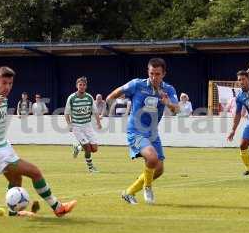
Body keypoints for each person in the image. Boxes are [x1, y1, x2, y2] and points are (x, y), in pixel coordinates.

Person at [0, 66, 76, 217]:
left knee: (16, 181)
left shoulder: (2, 97)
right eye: (4, 83)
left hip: (2, 146)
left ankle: (13, 213)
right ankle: (58, 207)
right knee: (35, 172)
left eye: (10, 83)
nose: (8, 87)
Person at [106, 58, 179, 205]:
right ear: (148, 72)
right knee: (152, 158)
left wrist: (168, 104)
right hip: (136, 131)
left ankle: (129, 192)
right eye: (151, 73)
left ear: (164, 73)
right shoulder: (136, 84)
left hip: (152, 133)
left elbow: (176, 110)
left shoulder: (168, 90)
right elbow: (113, 94)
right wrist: (110, 100)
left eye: (157, 74)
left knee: (158, 169)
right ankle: (147, 187)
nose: (154, 77)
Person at [64, 77, 102, 173]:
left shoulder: (89, 97)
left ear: (86, 86)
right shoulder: (71, 98)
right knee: (88, 149)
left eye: (83, 85)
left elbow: (95, 111)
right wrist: (69, 125)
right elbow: (66, 113)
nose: (82, 86)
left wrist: (98, 123)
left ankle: (78, 147)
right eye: (80, 85)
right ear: (77, 86)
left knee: (95, 149)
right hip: (77, 126)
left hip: (87, 125)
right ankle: (90, 168)